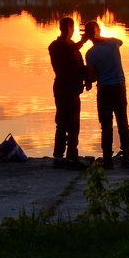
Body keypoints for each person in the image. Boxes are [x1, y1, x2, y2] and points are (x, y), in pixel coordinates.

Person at [82, 19, 129, 169]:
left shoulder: (90, 54)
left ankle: (108, 160)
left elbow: (92, 78)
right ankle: (126, 158)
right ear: (99, 31)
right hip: (119, 87)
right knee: (123, 123)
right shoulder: (113, 43)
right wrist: (100, 37)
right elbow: (121, 41)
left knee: (106, 125)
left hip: (104, 89)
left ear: (87, 36)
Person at [48, 17, 90, 170]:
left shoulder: (72, 46)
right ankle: (64, 158)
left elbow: (80, 65)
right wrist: (83, 41)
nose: (71, 31)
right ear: (66, 28)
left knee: (73, 124)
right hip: (63, 88)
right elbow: (66, 53)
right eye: (70, 27)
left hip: (73, 89)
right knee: (65, 123)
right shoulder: (55, 46)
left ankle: (70, 156)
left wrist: (88, 79)